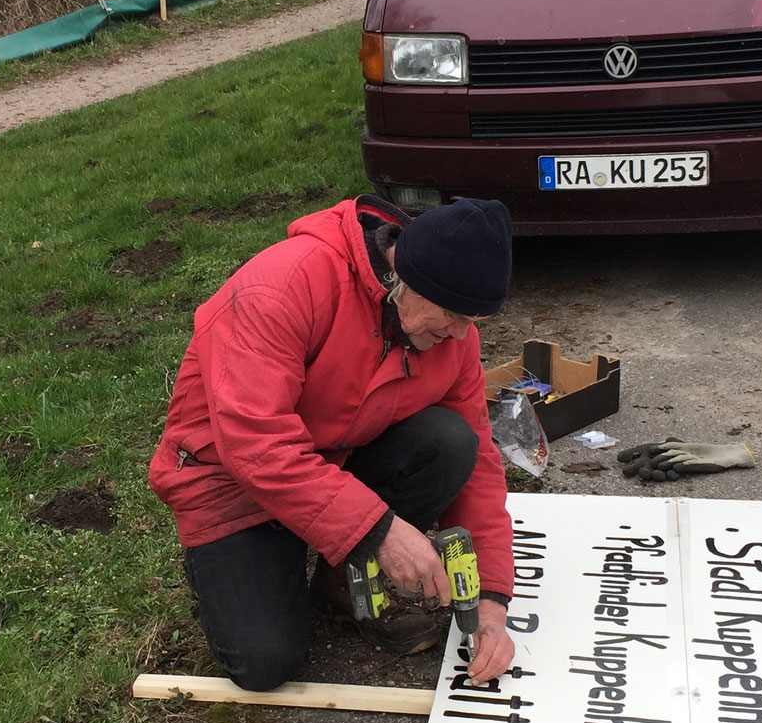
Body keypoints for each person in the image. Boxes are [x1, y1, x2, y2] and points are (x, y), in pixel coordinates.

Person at [147, 195, 519, 691]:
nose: (459, 334)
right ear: (404, 280)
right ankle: (253, 564)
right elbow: (255, 444)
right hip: (229, 483)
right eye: (451, 314)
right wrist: (380, 531)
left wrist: (492, 602)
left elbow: (479, 461)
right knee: (266, 663)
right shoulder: (281, 288)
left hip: (331, 465)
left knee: (449, 442)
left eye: (472, 321)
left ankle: (337, 583)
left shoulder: (452, 336)